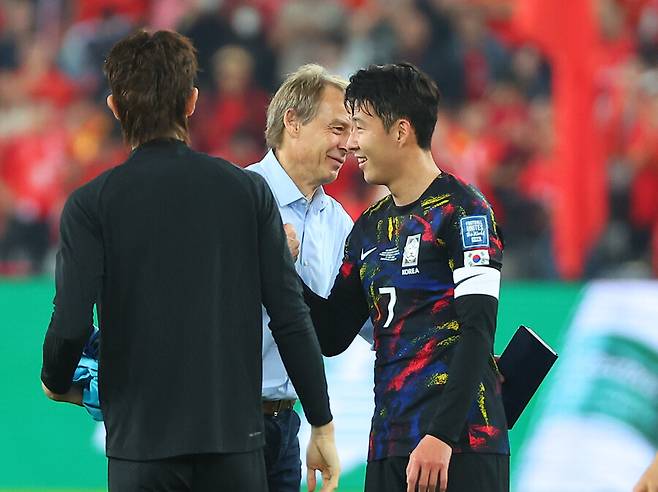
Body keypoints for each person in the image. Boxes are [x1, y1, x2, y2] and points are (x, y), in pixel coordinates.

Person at [40, 29, 339, 492]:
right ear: (192, 102)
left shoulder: (91, 205)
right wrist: (321, 423)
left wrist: (57, 378)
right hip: (234, 444)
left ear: (115, 107)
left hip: (142, 446)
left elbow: (71, 323)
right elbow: (290, 315)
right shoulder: (246, 192)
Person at [302, 63, 510, 492]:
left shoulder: (465, 212)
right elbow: (330, 334)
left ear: (400, 131)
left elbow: (477, 330)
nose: (352, 143)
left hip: (460, 447)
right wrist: (279, 265)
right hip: (390, 446)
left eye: (360, 127)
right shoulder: (369, 228)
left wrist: (441, 436)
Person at [246, 63, 370, 492]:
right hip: (223, 422)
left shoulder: (336, 221)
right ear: (292, 122)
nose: (349, 144)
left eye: (352, 131)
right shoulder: (237, 197)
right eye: (337, 128)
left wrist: (445, 350)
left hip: (286, 424)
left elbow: (375, 317)